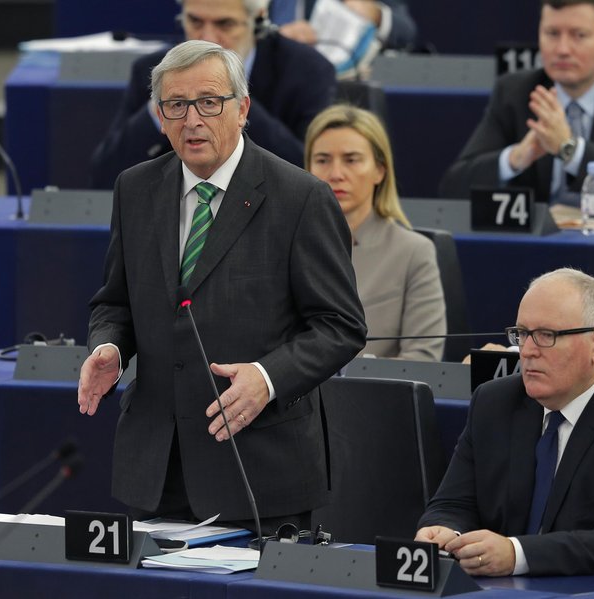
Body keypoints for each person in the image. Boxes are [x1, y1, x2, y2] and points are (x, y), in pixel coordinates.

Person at [77, 40, 366, 533]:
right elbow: (116, 301)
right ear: (160, 115)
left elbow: (340, 327)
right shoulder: (135, 189)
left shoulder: (300, 197)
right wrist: (109, 346)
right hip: (157, 465)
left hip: (259, 467)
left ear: (242, 108)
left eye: (210, 102)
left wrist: (267, 377)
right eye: (176, 105)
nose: (193, 119)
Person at [416, 268, 594, 578]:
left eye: (546, 336)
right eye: (522, 333)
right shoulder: (494, 402)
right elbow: (453, 501)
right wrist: (445, 530)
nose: (527, 351)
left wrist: (516, 554)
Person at [438, 0, 594, 214]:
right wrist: (514, 159)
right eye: (552, 33)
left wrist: (570, 150)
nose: (563, 49)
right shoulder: (516, 92)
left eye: (579, 35)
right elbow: (453, 187)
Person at [89, 0, 336, 189]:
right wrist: (163, 107)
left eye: (224, 24)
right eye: (195, 21)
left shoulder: (306, 71)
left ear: (258, 21)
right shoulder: (154, 71)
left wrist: (230, 96)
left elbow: (310, 172)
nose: (207, 37)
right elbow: (105, 177)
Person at [305, 105, 446, 361]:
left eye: (351, 160)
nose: (336, 174)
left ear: (380, 170)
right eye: (323, 160)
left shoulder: (413, 252)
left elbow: (423, 359)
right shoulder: (285, 243)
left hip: (373, 397)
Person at [269, 0, 417, 50]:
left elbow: (405, 30)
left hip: (336, 78)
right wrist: (274, 35)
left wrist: (376, 14)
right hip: (260, 75)